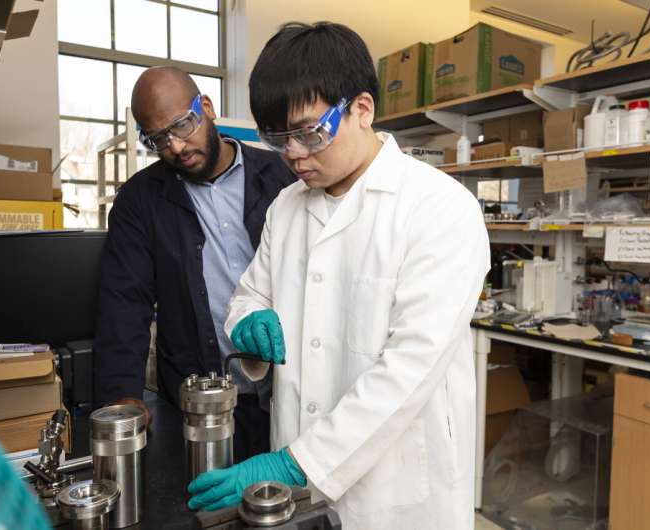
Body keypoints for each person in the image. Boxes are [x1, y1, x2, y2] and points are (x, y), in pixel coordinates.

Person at [187, 22, 490, 530]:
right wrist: (250, 321)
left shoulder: (440, 208)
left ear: (362, 109)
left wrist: (296, 464)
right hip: (297, 477)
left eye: (310, 133)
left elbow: (409, 369)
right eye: (278, 139)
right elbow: (249, 294)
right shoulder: (286, 207)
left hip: (395, 492)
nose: (294, 154)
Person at [93, 67, 296, 462]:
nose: (176, 146)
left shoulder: (283, 177)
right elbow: (124, 302)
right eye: (158, 139)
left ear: (206, 107)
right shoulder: (139, 201)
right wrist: (123, 394)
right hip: (199, 405)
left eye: (182, 125)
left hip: (287, 390)